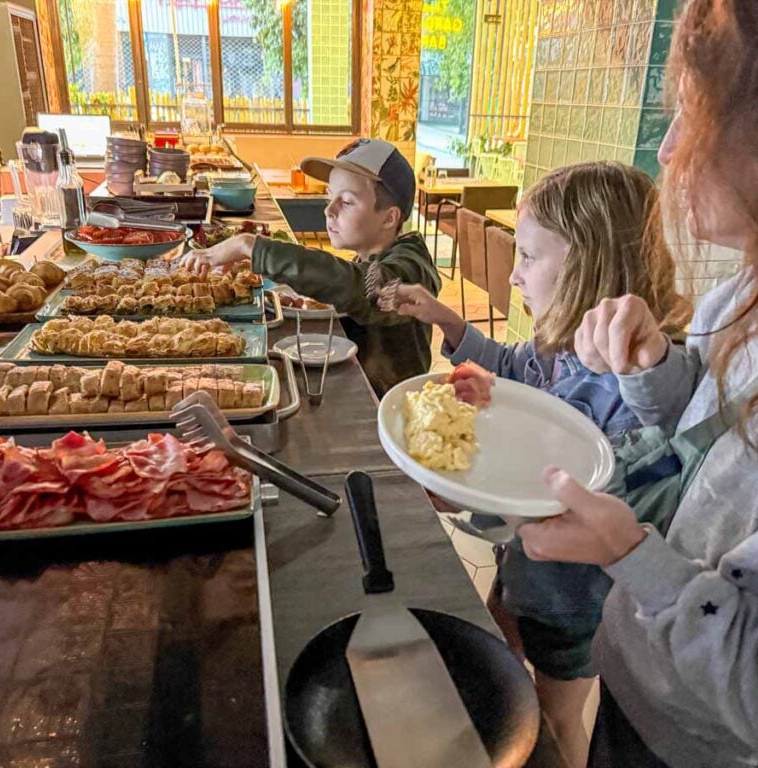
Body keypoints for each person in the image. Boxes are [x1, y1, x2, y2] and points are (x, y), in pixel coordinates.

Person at [515, 2, 758, 766]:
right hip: (643, 680)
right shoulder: (751, 290)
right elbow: (707, 430)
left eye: (694, 113)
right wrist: (656, 368)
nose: (669, 148)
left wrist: (634, 557)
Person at [394, 161, 691, 768]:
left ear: (587, 265)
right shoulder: (562, 345)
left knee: (555, 718)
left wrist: (466, 497)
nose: (514, 273)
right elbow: (515, 369)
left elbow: (594, 494)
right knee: (500, 647)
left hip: (576, 598)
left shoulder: (643, 389)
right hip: (525, 567)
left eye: (528, 257)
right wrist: (457, 335)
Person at [182, 139, 440, 395]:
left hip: (390, 410)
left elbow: (362, 287)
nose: (329, 210)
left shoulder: (412, 268)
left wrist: (252, 246)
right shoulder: (368, 255)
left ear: (389, 218)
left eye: (346, 201)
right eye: (329, 196)